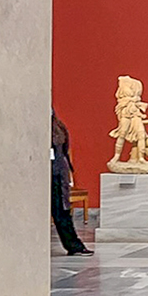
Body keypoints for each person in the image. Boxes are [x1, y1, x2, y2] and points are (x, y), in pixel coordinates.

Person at [51, 109, 93, 256]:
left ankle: (74, 245)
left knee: (62, 212)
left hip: (57, 174)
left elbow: (64, 151)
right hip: (40, 174)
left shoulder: (58, 127)